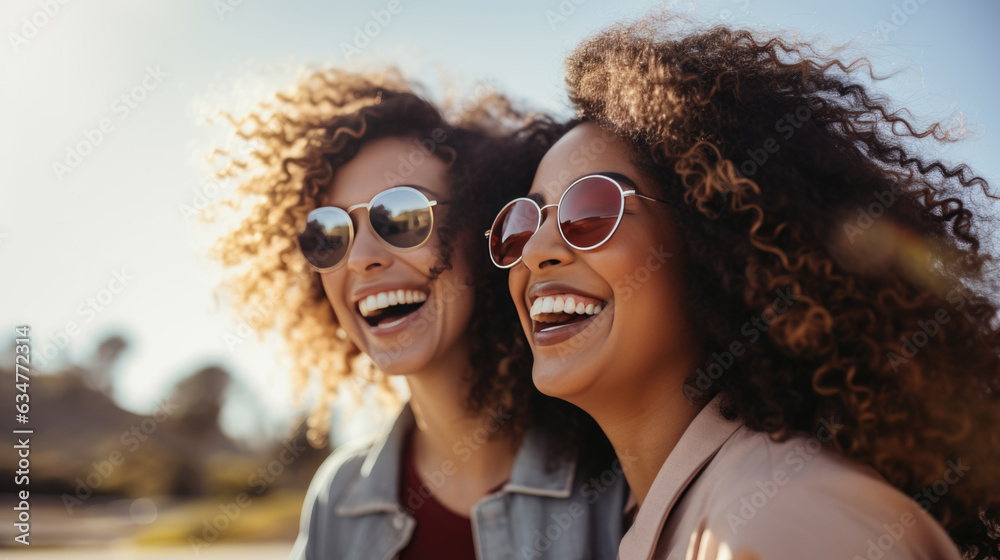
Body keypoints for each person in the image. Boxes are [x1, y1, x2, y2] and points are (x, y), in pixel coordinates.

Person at [488, 17, 1000, 560]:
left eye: (590, 210)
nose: (536, 249)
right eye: (522, 223)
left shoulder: (784, 518)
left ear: (710, 237)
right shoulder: (682, 513)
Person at [208, 68, 628, 560]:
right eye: (329, 233)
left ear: (485, 230)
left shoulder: (619, 481)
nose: (361, 257)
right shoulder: (337, 500)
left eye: (401, 216)